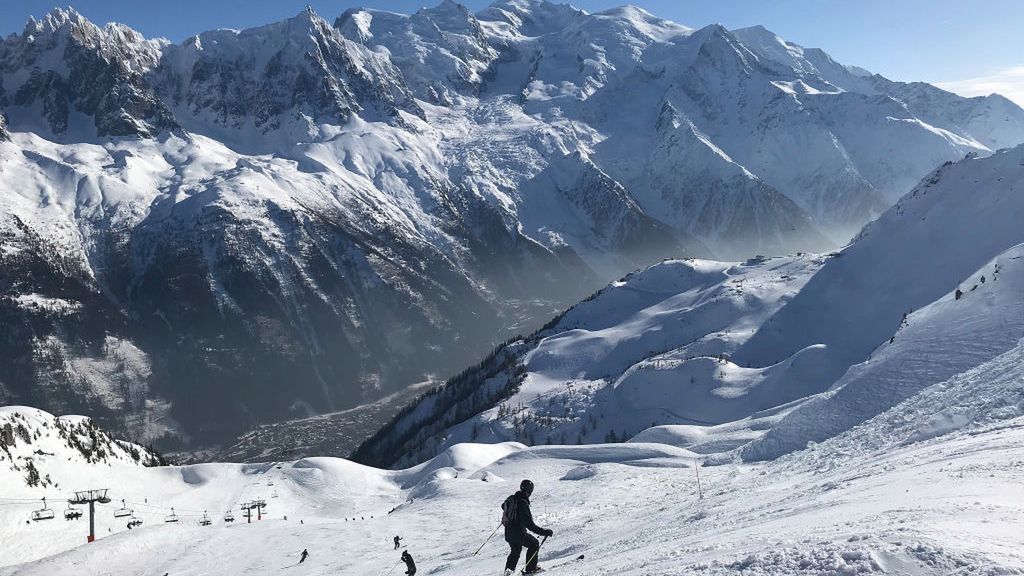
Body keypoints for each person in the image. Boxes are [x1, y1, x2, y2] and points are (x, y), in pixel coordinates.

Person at [502, 479, 552, 575]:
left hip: (508, 533)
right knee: (534, 543)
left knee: (515, 550)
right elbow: (530, 524)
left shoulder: (512, 499)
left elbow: (503, 506)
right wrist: (544, 532)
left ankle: (508, 572)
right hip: (518, 533)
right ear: (530, 490)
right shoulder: (522, 503)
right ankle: (531, 569)